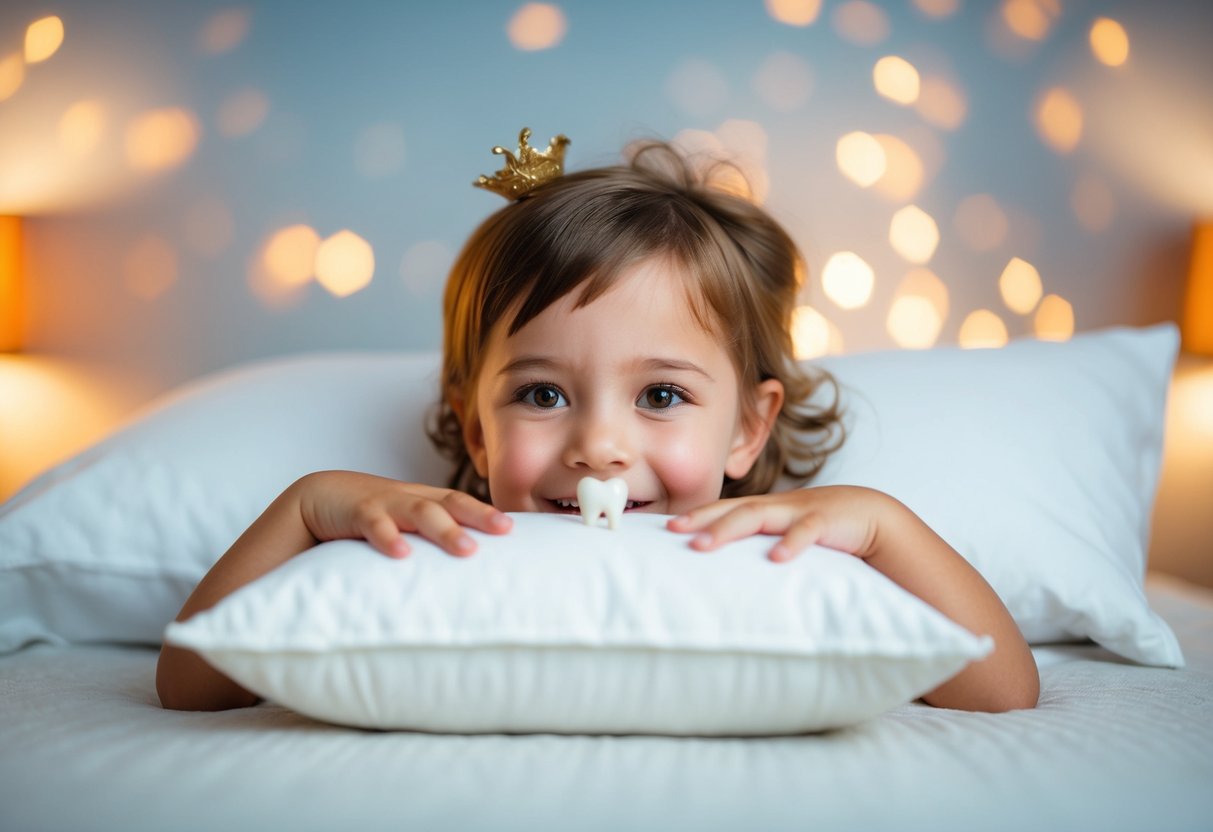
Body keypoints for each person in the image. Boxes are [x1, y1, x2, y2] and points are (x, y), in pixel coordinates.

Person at [156, 134, 1039, 714]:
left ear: (746, 429)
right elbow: (188, 684)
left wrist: (881, 525)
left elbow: (1003, 689)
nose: (597, 448)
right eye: (541, 395)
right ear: (474, 431)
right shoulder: (440, 544)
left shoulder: (780, 561)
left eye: (660, 396)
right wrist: (308, 509)